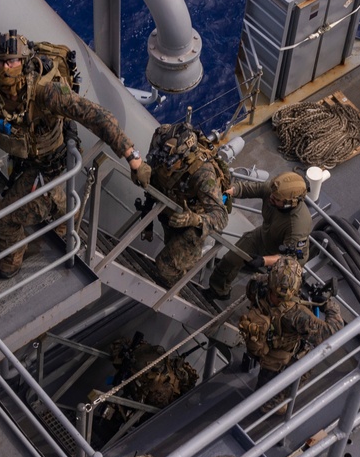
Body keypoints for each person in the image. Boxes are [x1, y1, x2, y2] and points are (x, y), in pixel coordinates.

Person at [0, 30, 151, 278]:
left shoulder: (46, 91)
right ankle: (64, 216)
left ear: (23, 61)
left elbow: (99, 118)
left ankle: (15, 255)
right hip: (25, 161)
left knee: (2, 223)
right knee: (53, 208)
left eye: (11, 61)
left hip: (49, 168)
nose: (5, 68)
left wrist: (134, 158)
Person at [237, 258, 343, 414]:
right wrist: (329, 304)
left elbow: (250, 289)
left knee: (262, 392)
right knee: (268, 406)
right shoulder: (295, 315)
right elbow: (332, 331)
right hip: (279, 360)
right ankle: (279, 402)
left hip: (259, 346)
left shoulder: (258, 284)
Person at [145, 121, 230, 286]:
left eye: (172, 161)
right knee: (170, 245)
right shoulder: (161, 137)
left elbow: (221, 217)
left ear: (184, 157)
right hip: (171, 208)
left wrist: (195, 220)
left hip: (192, 222)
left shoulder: (203, 174)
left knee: (166, 267)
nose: (165, 164)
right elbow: (153, 173)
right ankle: (182, 263)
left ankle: (172, 288)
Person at [207, 170, 312, 301]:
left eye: (276, 199)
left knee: (271, 293)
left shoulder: (298, 224)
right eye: (272, 195)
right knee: (230, 260)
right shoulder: (273, 192)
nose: (271, 198)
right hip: (262, 237)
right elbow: (246, 189)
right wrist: (225, 196)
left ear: (290, 203)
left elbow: (290, 257)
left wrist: (263, 261)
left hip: (285, 260)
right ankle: (218, 291)